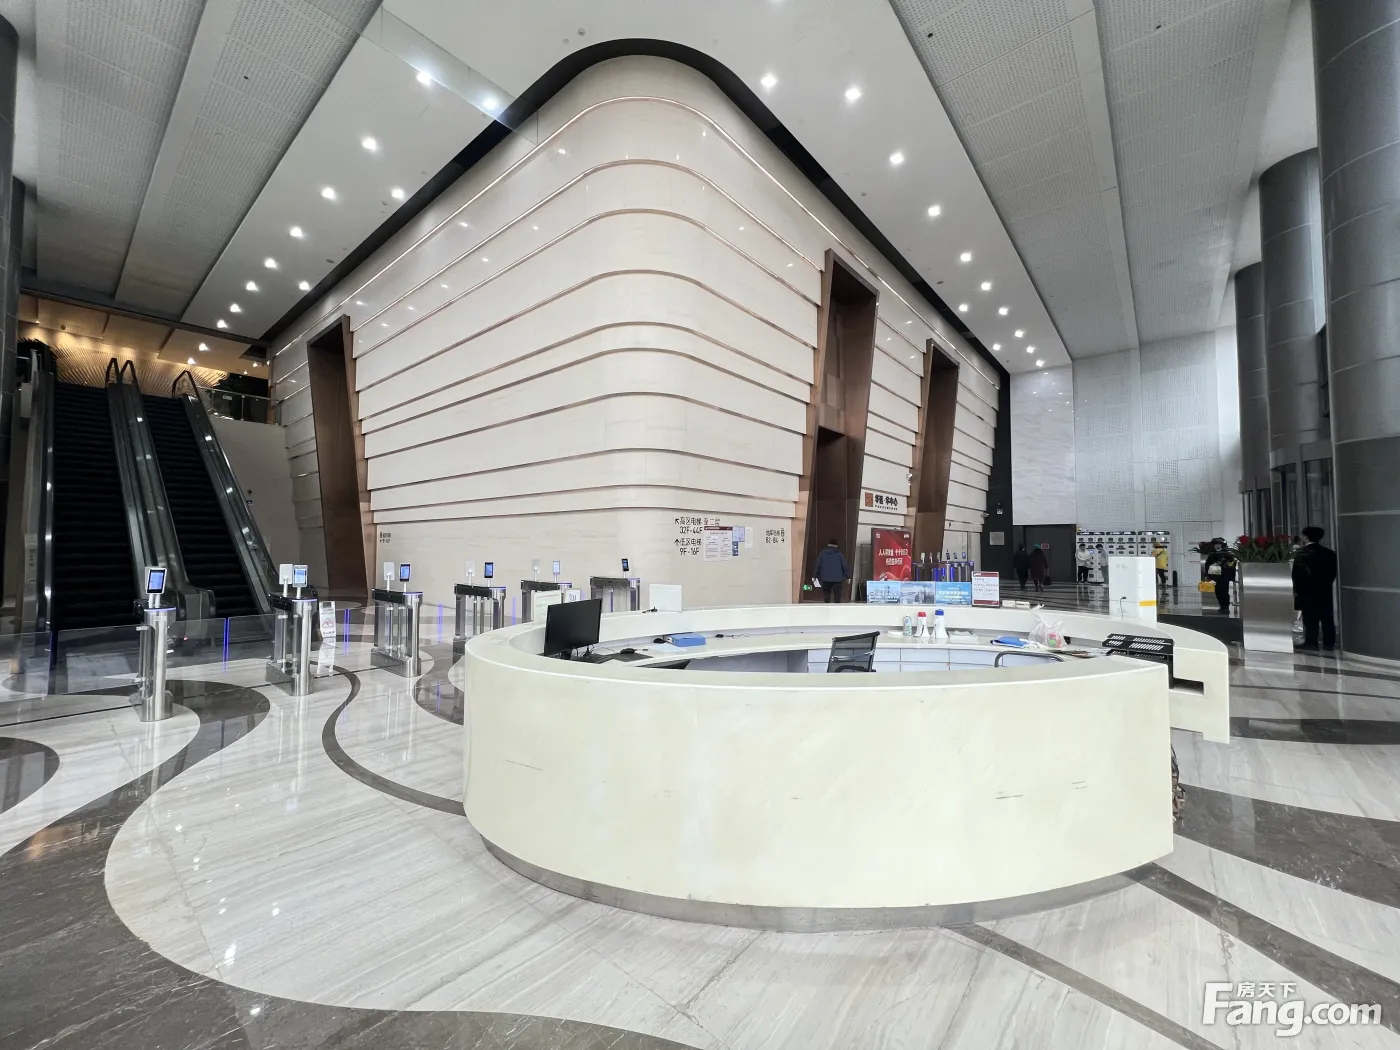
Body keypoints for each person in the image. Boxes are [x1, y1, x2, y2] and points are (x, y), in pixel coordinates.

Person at [1292, 525, 1338, 651]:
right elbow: (1333, 573)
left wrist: (1298, 590)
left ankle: (1311, 642)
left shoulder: (1301, 554)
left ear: (1306, 537)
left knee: (1310, 618)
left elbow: (1297, 575)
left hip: (1307, 591)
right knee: (1327, 618)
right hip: (1325, 590)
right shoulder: (1330, 553)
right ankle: (1329, 643)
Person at [1203, 538, 1237, 613]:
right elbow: (1207, 565)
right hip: (1215, 576)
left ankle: (1225, 607)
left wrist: (1223, 565)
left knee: (1224, 591)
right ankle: (1222, 606)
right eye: (1215, 544)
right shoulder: (1212, 554)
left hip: (1224, 576)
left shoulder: (1227, 554)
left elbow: (1231, 565)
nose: (1217, 546)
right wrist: (1208, 575)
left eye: (1218, 544)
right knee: (1217, 591)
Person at [812, 539, 850, 603]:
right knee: (837, 597)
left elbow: (817, 565)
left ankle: (827, 606)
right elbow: (845, 566)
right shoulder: (840, 555)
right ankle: (836, 607)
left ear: (828, 545)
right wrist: (848, 577)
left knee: (826, 596)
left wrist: (814, 576)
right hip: (837, 580)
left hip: (825, 579)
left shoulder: (822, 554)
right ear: (836, 546)